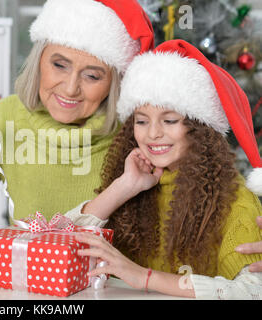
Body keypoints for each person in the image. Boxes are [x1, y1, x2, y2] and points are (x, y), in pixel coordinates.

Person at [0, 0, 154, 240]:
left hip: (110, 281)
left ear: (114, 83)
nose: (70, 89)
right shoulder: (9, 116)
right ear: (39, 60)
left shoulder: (138, 130)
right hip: (25, 276)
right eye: (59, 65)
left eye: (92, 76)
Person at [65, 39, 262, 299]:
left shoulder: (235, 201)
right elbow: (58, 244)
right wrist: (123, 187)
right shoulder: (135, 185)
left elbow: (251, 291)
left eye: (169, 120)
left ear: (200, 129)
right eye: (142, 121)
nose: (153, 134)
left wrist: (142, 277)